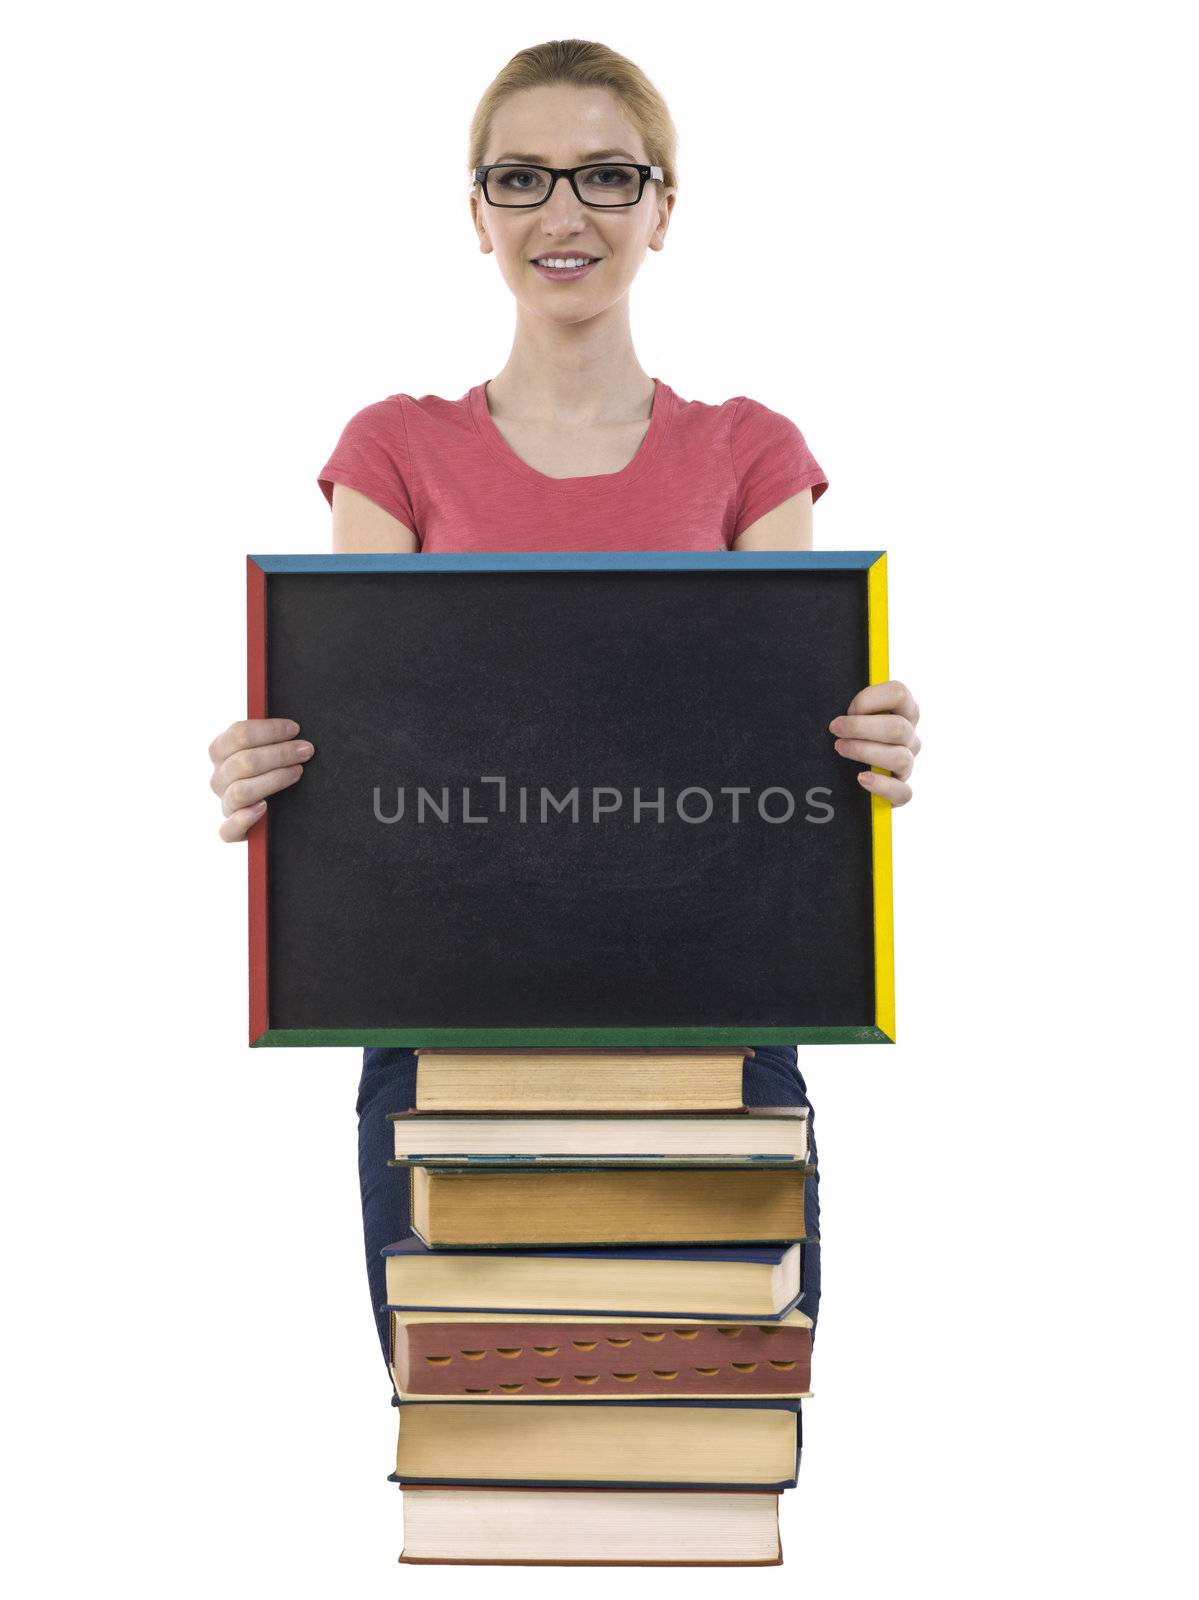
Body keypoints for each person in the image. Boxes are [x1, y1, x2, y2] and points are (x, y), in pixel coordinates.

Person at [207, 39, 922, 1393]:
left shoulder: (750, 451)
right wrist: (277, 772)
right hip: (448, 1015)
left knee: (706, 1434)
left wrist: (862, 749)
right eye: (521, 178)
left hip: (710, 1014)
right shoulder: (394, 450)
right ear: (474, 213)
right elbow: (363, 742)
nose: (564, 212)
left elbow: (788, 745)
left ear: (664, 206)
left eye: (606, 174)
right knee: (489, 1425)